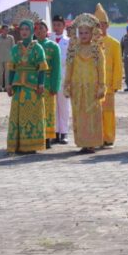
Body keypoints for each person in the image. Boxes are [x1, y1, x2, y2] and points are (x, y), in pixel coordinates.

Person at [63, 13, 106, 154]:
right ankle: (82, 143)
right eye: (81, 33)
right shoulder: (73, 49)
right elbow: (69, 67)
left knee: (92, 115)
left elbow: (101, 69)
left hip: (92, 88)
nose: (83, 35)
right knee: (79, 115)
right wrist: (67, 84)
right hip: (77, 87)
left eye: (86, 32)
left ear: (92, 33)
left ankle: (92, 143)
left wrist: (101, 86)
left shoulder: (96, 49)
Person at [6, 19, 49, 154]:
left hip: (33, 86)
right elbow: (12, 68)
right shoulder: (15, 48)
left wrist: (41, 83)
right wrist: (8, 84)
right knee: (18, 115)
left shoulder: (37, 48)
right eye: (22, 30)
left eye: (27, 29)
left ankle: (32, 144)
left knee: (32, 114)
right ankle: (18, 143)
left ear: (31, 31)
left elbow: (42, 68)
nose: (24, 32)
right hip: (18, 86)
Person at [95, 3, 123, 147]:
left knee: (108, 112)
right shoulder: (91, 43)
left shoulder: (114, 43)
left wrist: (117, 83)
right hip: (93, 85)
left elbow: (118, 65)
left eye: (103, 24)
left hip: (109, 85)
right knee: (95, 113)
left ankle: (108, 137)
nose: (101, 27)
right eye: (98, 24)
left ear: (107, 25)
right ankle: (96, 137)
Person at [34, 20, 61, 149]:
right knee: (35, 110)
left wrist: (55, 86)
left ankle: (47, 137)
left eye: (42, 29)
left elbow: (56, 68)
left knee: (48, 111)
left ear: (47, 31)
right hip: (32, 84)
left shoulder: (53, 46)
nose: (39, 31)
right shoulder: (31, 46)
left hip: (48, 82)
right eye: (37, 29)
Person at [50, 15, 72, 144]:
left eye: (59, 25)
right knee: (53, 106)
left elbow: (70, 59)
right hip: (52, 77)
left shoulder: (68, 41)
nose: (56, 27)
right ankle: (55, 132)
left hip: (64, 76)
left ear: (64, 26)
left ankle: (64, 132)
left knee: (64, 106)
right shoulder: (49, 39)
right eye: (55, 25)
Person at [0, 25, 14, 91]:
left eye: (7, 30)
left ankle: (7, 87)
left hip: (9, 58)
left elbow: (13, 49)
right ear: (2, 30)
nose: (6, 31)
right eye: (5, 29)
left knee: (8, 74)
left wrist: (13, 58)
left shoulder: (11, 38)